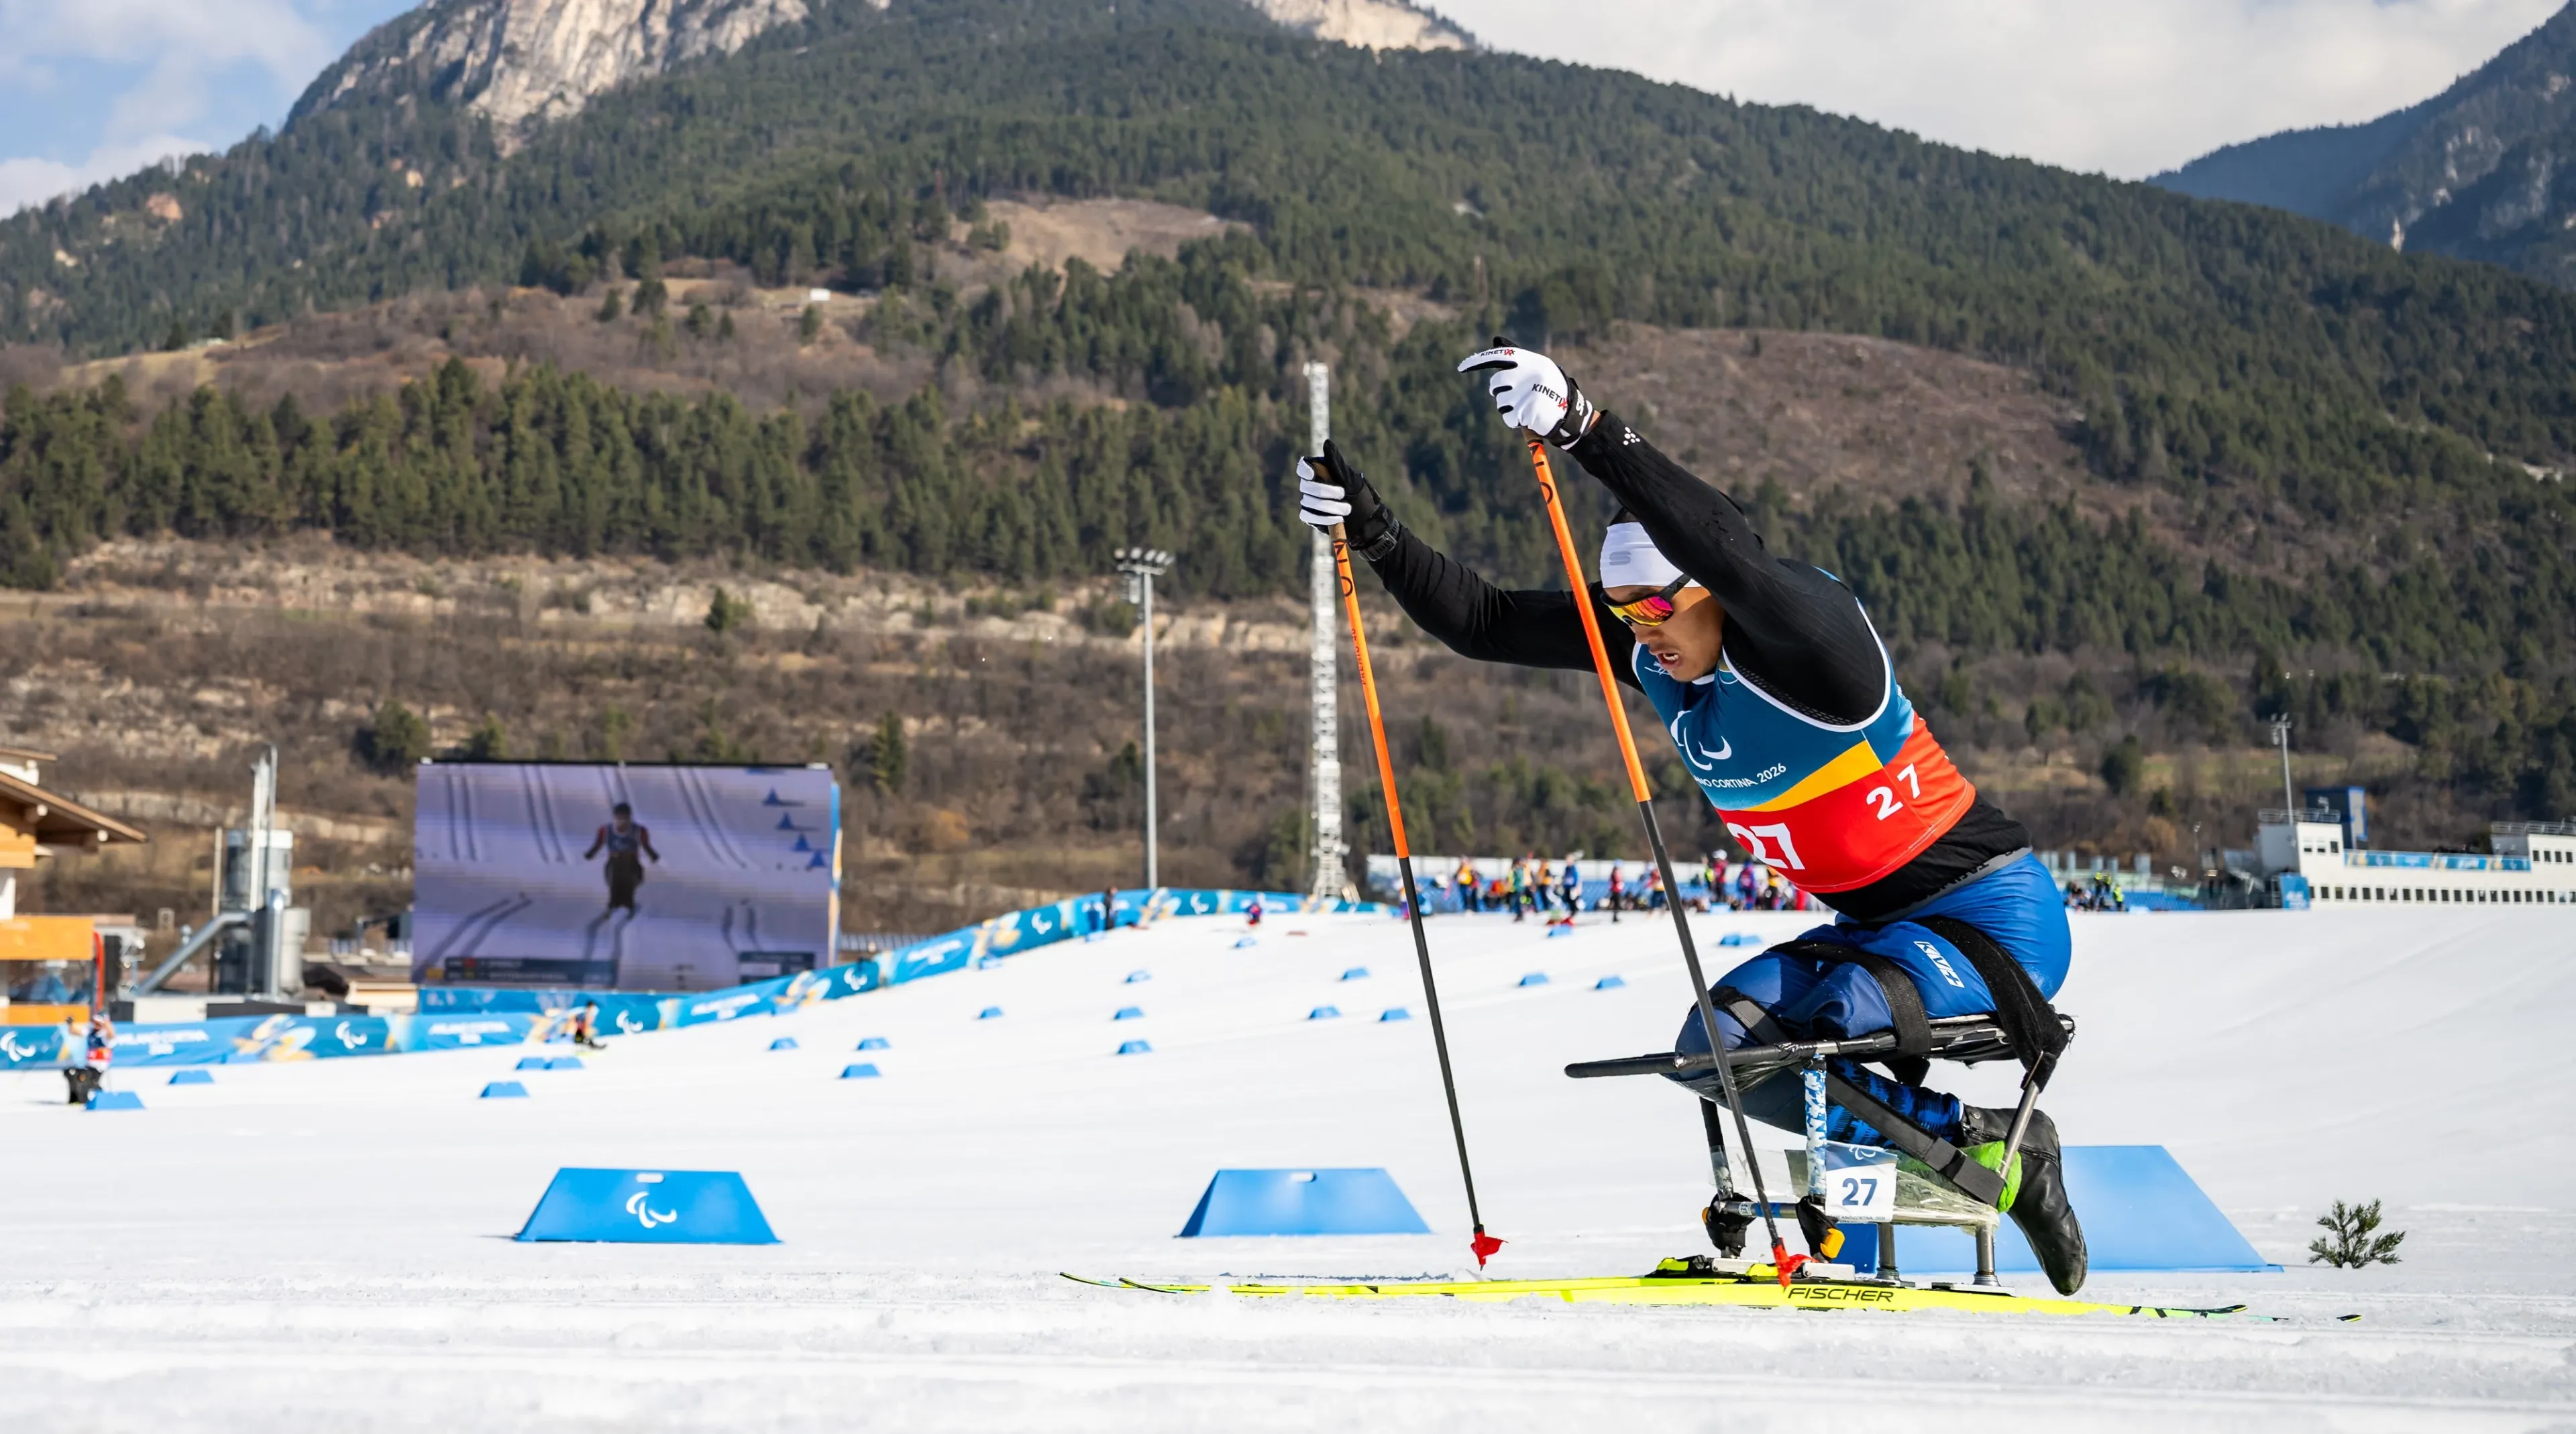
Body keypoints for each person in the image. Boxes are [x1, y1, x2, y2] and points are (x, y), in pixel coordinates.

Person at [1293, 341, 2084, 1294]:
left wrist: (1584, 426)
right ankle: (1995, 1147)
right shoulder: (1653, 651)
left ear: (1712, 591)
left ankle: (2000, 1162)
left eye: (1658, 605)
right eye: (1623, 610)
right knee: (1711, 1048)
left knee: (1826, 1024)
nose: (1641, 630)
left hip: (1990, 919)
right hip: (1872, 930)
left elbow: (1728, 546)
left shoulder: (1815, 648)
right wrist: (1374, 532)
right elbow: (1486, 621)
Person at [582, 803, 661, 917]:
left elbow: (646, 846)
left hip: (632, 863)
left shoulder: (638, 831)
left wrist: (653, 855)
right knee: (615, 874)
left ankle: (628, 899)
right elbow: (598, 845)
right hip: (614, 863)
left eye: (626, 818)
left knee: (630, 876)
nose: (623, 822)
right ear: (615, 818)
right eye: (620, 818)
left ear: (630, 818)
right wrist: (590, 854)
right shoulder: (606, 831)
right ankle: (614, 900)